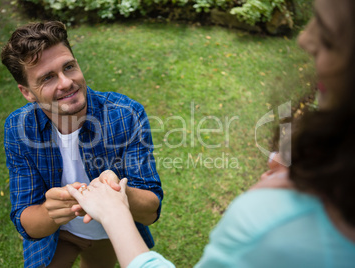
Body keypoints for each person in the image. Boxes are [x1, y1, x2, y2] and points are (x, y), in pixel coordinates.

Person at [67, 0, 355, 267]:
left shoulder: (270, 223)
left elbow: (152, 206)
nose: (304, 39)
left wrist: (115, 212)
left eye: (328, 34)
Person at [1, 21, 163, 268]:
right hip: (56, 235)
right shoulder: (18, 128)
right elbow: (26, 223)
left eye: (69, 67)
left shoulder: (127, 114)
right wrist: (50, 212)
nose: (66, 82)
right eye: (47, 78)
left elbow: (151, 211)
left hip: (107, 234)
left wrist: (117, 193)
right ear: (27, 92)